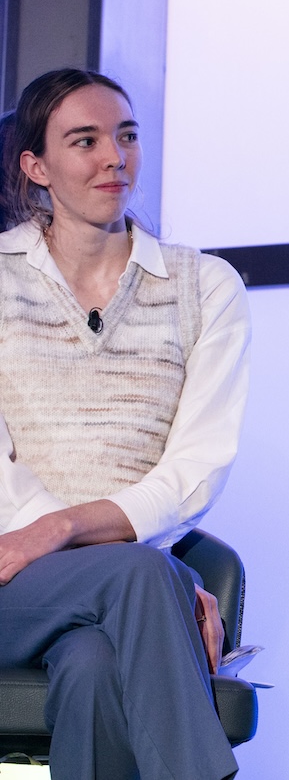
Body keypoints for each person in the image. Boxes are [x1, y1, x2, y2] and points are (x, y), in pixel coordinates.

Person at [0, 68, 250, 780]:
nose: (116, 156)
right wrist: (153, 572)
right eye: (86, 140)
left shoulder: (206, 288)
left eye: (127, 136)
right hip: (9, 579)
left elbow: (195, 468)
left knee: (95, 668)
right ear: (36, 166)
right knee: (141, 577)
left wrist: (71, 530)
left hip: (121, 596)